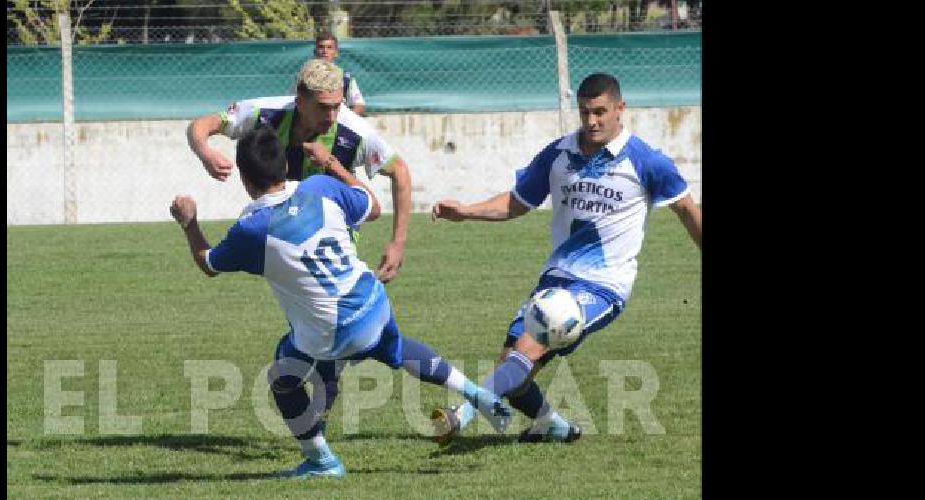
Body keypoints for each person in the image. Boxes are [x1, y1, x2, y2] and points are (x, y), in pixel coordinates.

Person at [169, 125, 512, 478]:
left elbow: (208, 263)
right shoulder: (320, 188)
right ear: (286, 166)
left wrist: (189, 221)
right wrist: (333, 165)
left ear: (244, 177)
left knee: (282, 377)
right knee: (394, 347)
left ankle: (322, 461)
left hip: (334, 331)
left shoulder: (251, 230)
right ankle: (474, 392)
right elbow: (372, 206)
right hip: (372, 300)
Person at [427, 73, 702, 445]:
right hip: (555, 279)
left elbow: (687, 211)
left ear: (621, 109)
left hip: (604, 285)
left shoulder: (647, 162)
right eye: (585, 112)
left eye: (601, 112)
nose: (592, 122)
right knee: (512, 368)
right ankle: (554, 426)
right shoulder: (558, 154)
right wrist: (467, 211)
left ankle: (462, 415)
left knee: (528, 348)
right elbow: (517, 202)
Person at [186, 58, 408, 285]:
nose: (332, 116)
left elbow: (399, 171)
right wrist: (205, 152)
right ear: (300, 101)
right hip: (286, 231)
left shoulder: (356, 132)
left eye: (337, 106)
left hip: (332, 237)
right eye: (323, 107)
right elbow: (201, 125)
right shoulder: (266, 114)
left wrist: (397, 243)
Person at [313, 31, 367, 116]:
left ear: (336, 53)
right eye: (321, 47)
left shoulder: (345, 78)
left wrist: (345, 121)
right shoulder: (304, 77)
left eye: (329, 47)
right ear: (315, 51)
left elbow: (359, 105)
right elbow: (292, 102)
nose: (325, 51)